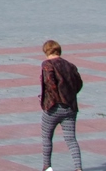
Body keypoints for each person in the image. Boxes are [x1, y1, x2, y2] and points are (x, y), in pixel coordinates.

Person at [39, 39, 84, 171]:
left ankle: (47, 167)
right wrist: (69, 95)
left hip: (53, 108)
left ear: (46, 52)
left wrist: (52, 100)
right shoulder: (71, 65)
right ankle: (78, 168)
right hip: (70, 108)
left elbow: (50, 83)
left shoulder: (47, 64)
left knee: (47, 137)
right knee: (71, 139)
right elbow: (79, 84)